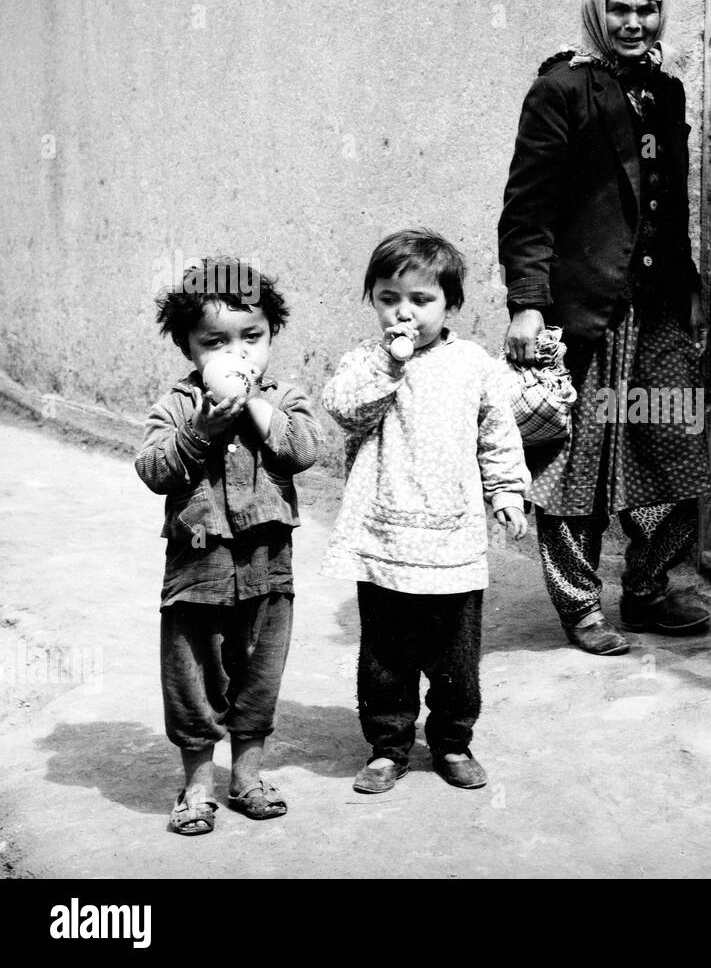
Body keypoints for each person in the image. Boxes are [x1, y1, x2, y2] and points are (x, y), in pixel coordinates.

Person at [499, 0, 711, 656]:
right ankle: (580, 603)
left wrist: (690, 289)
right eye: (619, 8)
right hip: (587, 307)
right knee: (577, 463)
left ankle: (648, 589)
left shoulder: (667, 92)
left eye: (647, 9)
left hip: (657, 307)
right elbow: (527, 210)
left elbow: (671, 206)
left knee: (674, 447)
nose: (633, 22)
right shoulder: (562, 88)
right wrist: (528, 304)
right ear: (597, 9)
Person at [320, 228, 529, 794]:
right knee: (386, 653)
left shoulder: (474, 365)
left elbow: (498, 437)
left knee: (455, 654)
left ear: (450, 303)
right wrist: (390, 364)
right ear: (373, 302)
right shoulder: (365, 361)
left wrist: (507, 493)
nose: (403, 314)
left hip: (453, 541)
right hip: (386, 539)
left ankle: (453, 741)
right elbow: (343, 409)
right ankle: (388, 746)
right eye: (390, 300)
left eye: (421, 300)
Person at [136, 258, 324, 836]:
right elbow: (153, 467)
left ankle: (246, 777)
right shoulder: (177, 405)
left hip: (268, 570)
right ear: (189, 349)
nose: (235, 355)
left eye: (252, 338)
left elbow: (303, 451)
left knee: (259, 675)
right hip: (198, 570)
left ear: (271, 337)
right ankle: (197, 785)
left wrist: (257, 410)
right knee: (192, 679)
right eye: (214, 342)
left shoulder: (284, 397)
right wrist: (204, 429)